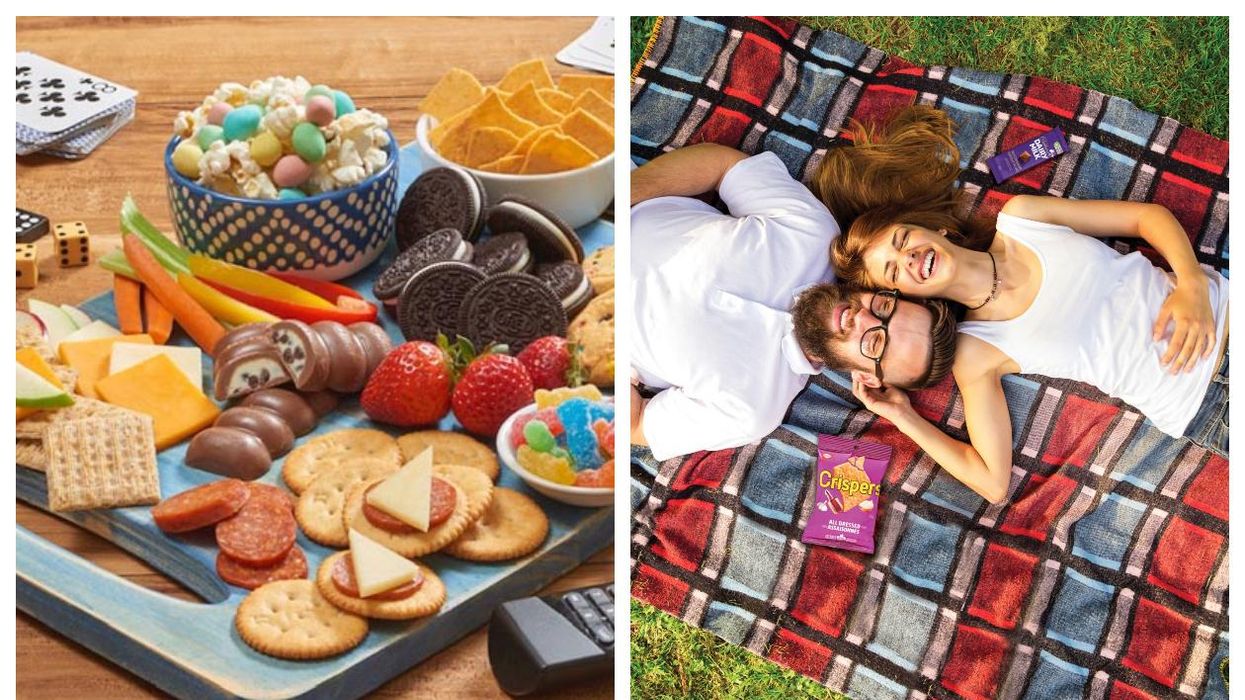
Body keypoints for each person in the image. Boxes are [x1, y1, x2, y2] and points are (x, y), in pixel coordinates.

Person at [818, 106, 1229, 504]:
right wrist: (903, 416)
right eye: (893, 272)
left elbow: (1144, 219)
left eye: (903, 239)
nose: (907, 258)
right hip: (1206, 406)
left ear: (934, 228)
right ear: (909, 297)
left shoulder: (1021, 219)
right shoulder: (976, 351)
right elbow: (992, 483)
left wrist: (1190, 280)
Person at [630, 143, 957, 461]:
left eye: (874, 342)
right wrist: (620, 195)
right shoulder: (813, 233)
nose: (864, 319)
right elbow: (726, 167)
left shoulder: (753, 410)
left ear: (868, 379)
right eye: (885, 308)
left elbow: (639, 423)